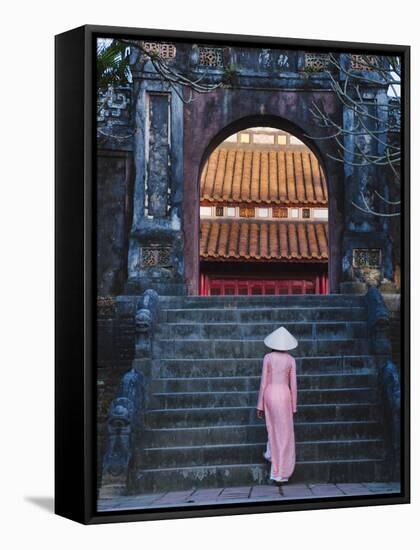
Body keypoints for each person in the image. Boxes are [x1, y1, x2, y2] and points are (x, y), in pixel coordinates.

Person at [256, 326, 298, 483]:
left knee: (273, 429)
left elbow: (263, 383)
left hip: (270, 394)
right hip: (285, 395)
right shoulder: (291, 360)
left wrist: (259, 405)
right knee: (285, 434)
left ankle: (272, 458)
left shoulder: (268, 358)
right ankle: (280, 472)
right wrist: (294, 406)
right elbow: (293, 385)